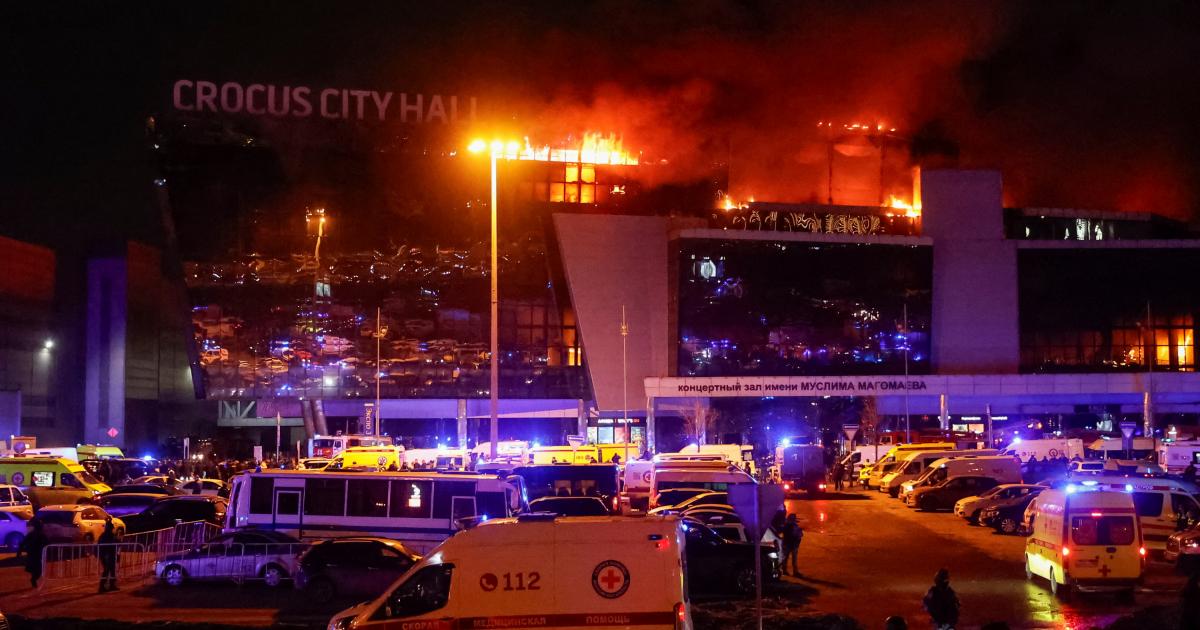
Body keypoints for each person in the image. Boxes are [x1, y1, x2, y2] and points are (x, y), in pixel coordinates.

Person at [20, 517, 49, 589]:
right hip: (33, 554)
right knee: (36, 569)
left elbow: (47, 543)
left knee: (37, 570)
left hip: (37, 554)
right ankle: (33, 580)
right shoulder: (33, 534)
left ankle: (33, 579)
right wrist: (20, 550)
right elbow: (23, 542)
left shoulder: (41, 535)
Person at [98, 518, 119, 592]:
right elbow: (105, 546)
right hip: (107, 555)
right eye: (112, 528)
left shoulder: (107, 535)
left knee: (112, 570)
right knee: (106, 570)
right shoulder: (106, 536)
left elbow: (116, 544)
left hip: (110, 555)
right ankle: (102, 587)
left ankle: (111, 585)